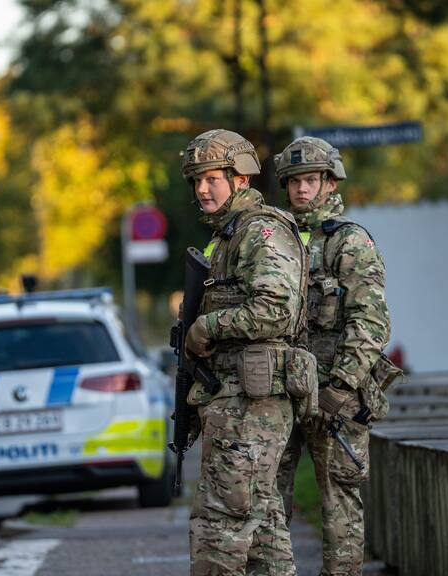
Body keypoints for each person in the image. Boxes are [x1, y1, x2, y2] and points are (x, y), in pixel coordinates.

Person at [181, 129, 305, 576]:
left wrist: (208, 325)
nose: (201, 188)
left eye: (211, 178)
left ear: (241, 180)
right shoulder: (227, 238)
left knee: (220, 526)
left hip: (254, 406)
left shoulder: (261, 231)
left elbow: (276, 308)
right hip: (236, 404)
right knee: (264, 534)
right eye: (196, 179)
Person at [274, 136, 393, 576]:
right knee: (268, 500)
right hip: (281, 392)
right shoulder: (275, 241)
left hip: (335, 397)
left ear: (328, 182)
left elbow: (371, 323)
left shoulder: (350, 241)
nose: (302, 189)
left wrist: (341, 385)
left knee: (340, 507)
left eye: (310, 180)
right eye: (294, 181)